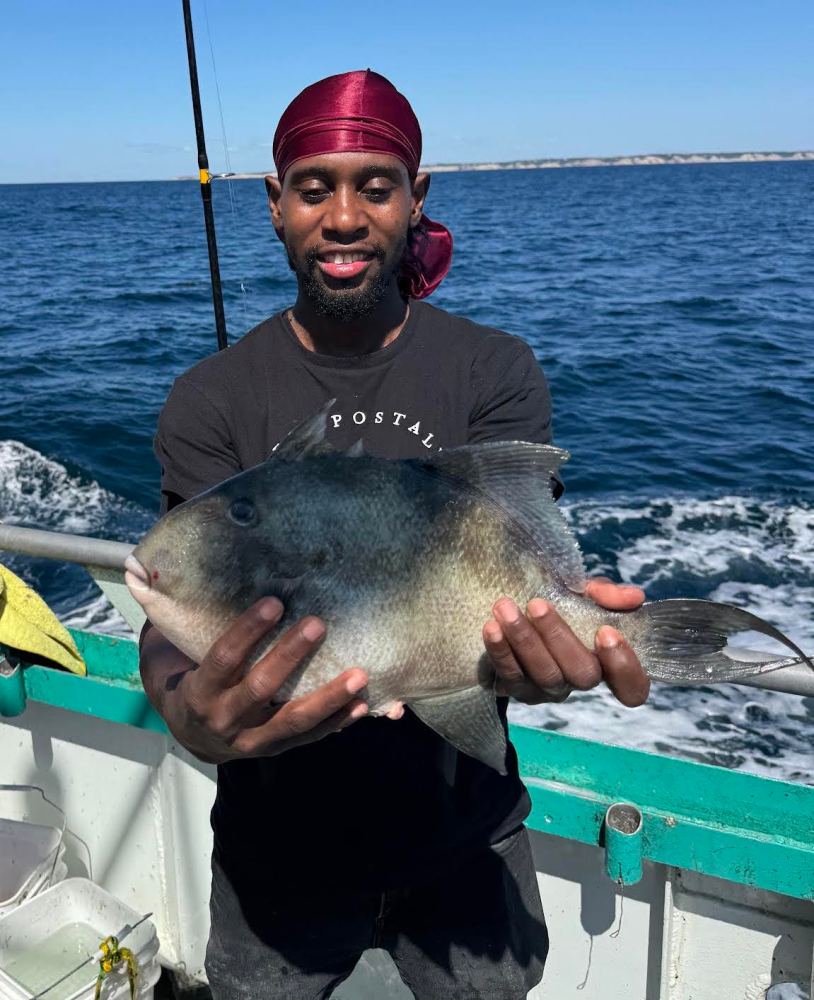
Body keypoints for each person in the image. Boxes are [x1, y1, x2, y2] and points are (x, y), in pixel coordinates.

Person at [139, 70, 650, 1000]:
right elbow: (173, 606)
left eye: (375, 185)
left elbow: (506, 576)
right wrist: (183, 709)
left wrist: (552, 646)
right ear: (274, 205)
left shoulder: (492, 370)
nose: (343, 215)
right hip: (273, 863)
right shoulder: (212, 399)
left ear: (418, 198)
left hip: (467, 844)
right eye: (313, 186)